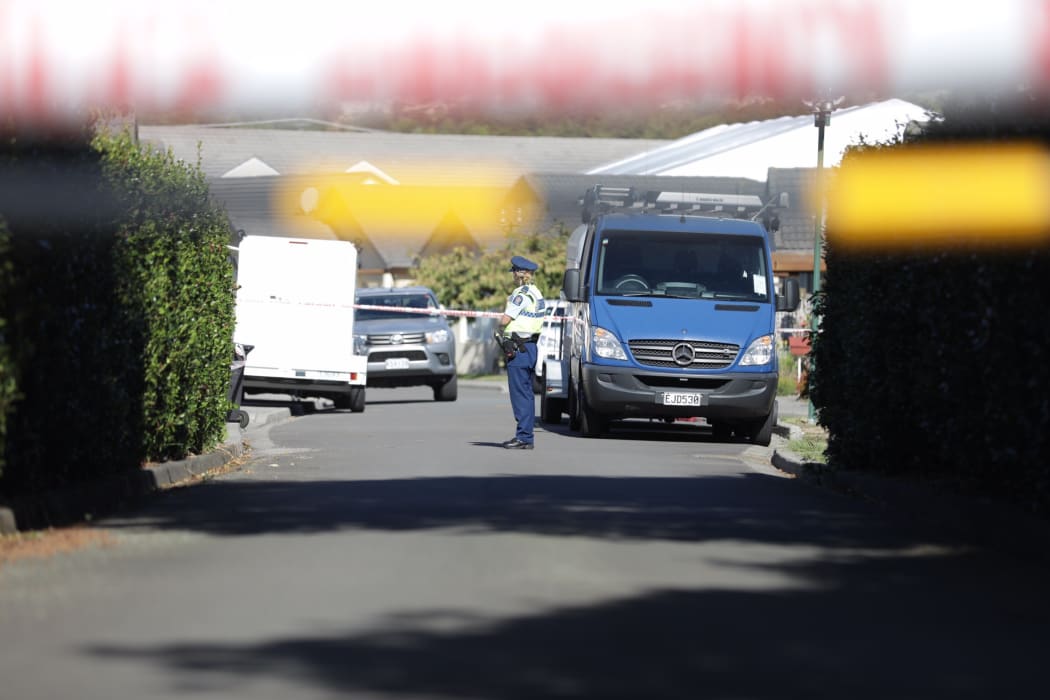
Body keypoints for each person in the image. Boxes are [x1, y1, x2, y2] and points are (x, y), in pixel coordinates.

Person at [498, 255, 546, 449]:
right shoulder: (537, 293)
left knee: (519, 395)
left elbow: (506, 319)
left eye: (514, 272)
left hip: (519, 348)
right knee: (526, 394)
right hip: (531, 347)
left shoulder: (521, 294)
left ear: (520, 274)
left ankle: (524, 437)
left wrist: (499, 328)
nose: (513, 276)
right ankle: (525, 436)